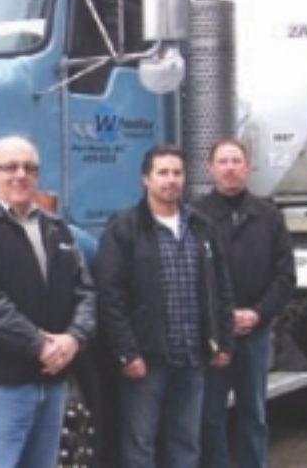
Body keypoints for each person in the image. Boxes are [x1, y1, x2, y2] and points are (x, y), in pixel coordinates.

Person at [0, 135, 96, 468]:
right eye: (9, 167)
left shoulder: (57, 229)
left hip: (52, 383)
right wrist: (38, 344)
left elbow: (85, 291)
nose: (20, 174)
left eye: (29, 167)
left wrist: (74, 339)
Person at [95, 144, 234, 468]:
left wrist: (223, 340)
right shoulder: (125, 229)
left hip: (193, 356)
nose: (171, 180)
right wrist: (127, 353)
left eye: (177, 173)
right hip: (147, 360)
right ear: (146, 179)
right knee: (140, 443)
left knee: (186, 441)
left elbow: (221, 288)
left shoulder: (202, 228)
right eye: (163, 173)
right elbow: (110, 296)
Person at [197, 138, 296, 468]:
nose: (230, 168)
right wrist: (220, 317)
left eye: (236, 161)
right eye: (222, 162)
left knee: (253, 414)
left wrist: (257, 313)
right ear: (210, 169)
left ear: (248, 168)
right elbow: (188, 277)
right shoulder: (195, 217)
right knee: (210, 417)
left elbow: (285, 277)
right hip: (212, 336)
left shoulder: (268, 216)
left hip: (255, 333)